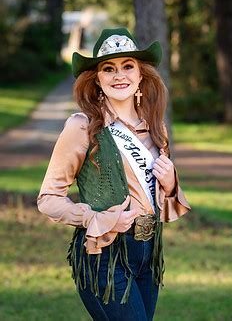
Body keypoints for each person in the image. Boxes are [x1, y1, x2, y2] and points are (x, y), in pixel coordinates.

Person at [37, 27, 191, 321]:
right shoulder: (81, 126)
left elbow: (158, 198)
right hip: (103, 254)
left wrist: (171, 183)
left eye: (127, 66)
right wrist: (95, 218)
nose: (119, 75)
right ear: (97, 79)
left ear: (140, 75)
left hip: (148, 251)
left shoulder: (156, 128)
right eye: (109, 68)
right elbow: (48, 198)